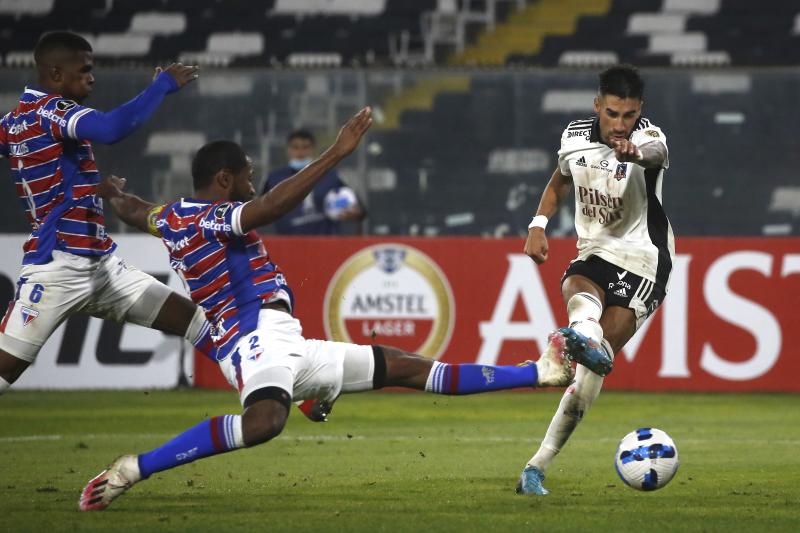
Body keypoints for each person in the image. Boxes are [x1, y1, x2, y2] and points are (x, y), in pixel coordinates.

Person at [79, 107, 612, 511]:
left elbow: (136, 211)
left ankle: (540, 371)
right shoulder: (215, 217)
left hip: (288, 343)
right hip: (254, 342)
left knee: (405, 366)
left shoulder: (170, 216)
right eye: (244, 176)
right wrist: (335, 154)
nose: (250, 185)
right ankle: (134, 468)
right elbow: (274, 205)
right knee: (264, 422)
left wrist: (109, 193)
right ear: (223, 181)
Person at [0, 31, 218, 393]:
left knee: (197, 321)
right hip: (57, 269)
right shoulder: (53, 111)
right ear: (56, 75)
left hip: (103, 269)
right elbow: (112, 129)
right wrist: (161, 87)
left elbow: (48, 184)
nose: (91, 77)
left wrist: (88, 190)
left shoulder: (13, 122)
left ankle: (273, 392)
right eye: (83, 70)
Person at [516, 64, 673, 495]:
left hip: (644, 260)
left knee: (590, 373)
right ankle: (580, 335)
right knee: (578, 286)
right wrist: (537, 224)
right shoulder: (574, 137)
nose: (621, 124)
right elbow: (559, 181)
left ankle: (536, 465)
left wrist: (634, 154)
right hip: (596, 249)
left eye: (629, 115)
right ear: (597, 107)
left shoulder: (649, 138)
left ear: (640, 111)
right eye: (612, 114)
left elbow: (655, 153)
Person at [264, 128, 365, 235]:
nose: (300, 152)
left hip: (324, 243)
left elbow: (360, 210)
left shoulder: (331, 175)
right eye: (295, 147)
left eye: (305, 147)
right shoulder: (273, 178)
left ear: (313, 149)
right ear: (288, 150)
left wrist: (356, 213)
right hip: (287, 244)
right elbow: (259, 211)